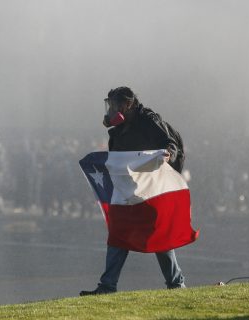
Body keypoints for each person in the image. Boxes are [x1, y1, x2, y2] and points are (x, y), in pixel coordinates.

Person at [80, 86, 186, 296]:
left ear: (127, 105)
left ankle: (176, 284)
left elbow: (170, 143)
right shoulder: (119, 129)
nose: (110, 109)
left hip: (152, 185)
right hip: (129, 187)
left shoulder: (148, 120)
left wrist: (167, 155)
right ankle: (107, 286)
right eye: (109, 104)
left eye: (115, 104)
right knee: (119, 232)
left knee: (158, 234)